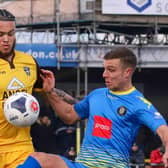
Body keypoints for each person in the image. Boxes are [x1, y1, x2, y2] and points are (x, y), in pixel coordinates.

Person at [18, 47, 168, 168]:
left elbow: (162, 129)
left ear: (127, 72)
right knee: (38, 159)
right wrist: (49, 91)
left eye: (111, 70)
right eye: (104, 69)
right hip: (82, 165)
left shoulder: (139, 103)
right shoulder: (97, 95)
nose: (104, 74)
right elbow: (69, 115)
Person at [0, 9, 44, 168]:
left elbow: (43, 90)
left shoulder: (30, 62)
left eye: (10, 34)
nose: (6, 39)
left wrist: (50, 90)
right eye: (0, 34)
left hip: (21, 146)